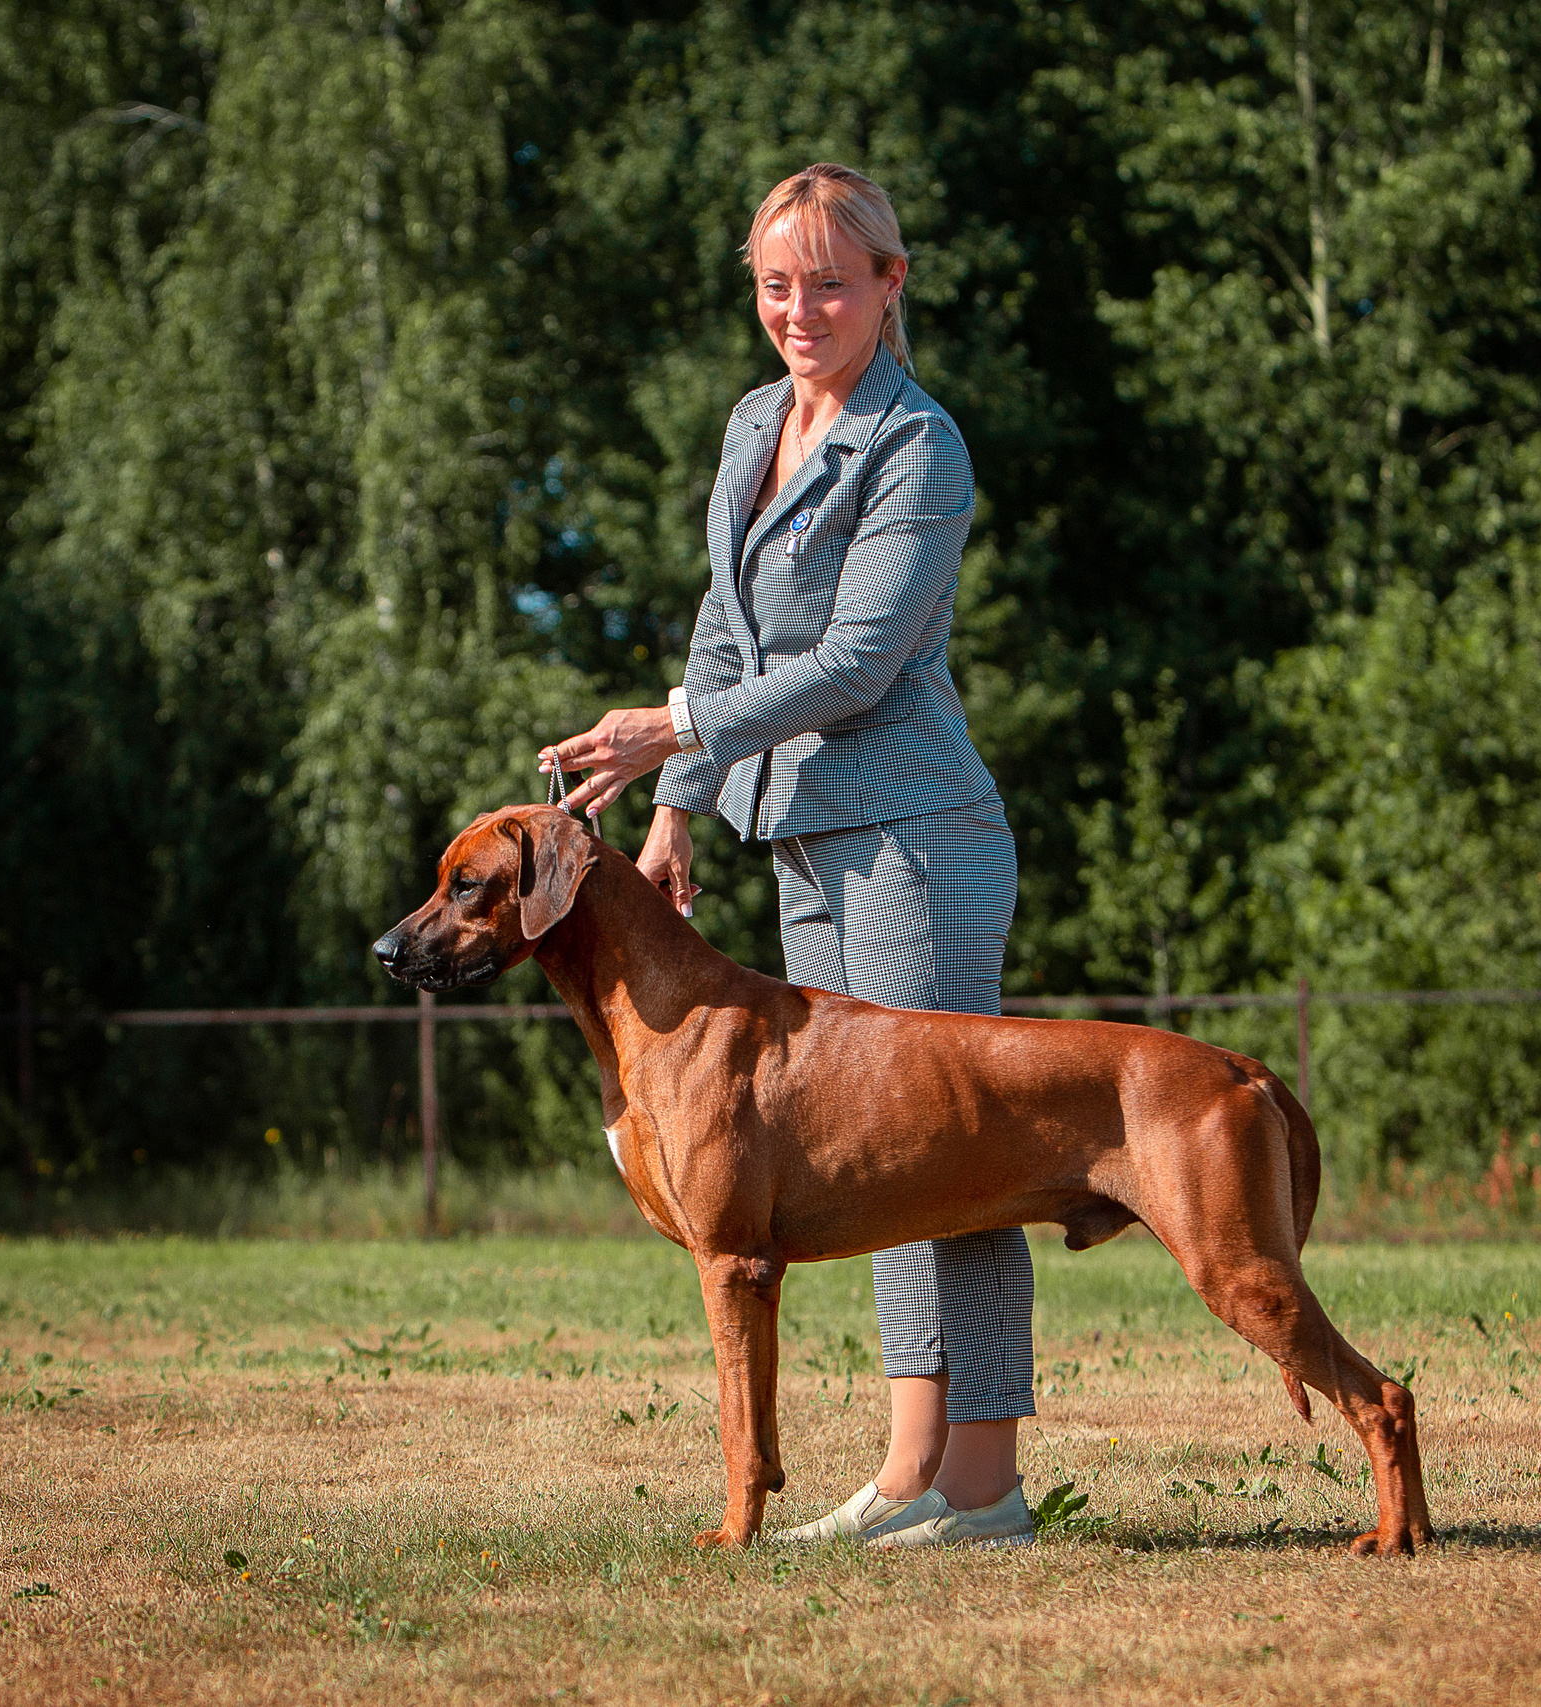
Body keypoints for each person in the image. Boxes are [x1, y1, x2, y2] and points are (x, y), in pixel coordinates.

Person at [540, 163, 1035, 1549]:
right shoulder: (758, 420)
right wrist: (678, 805)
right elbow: (724, 624)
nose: (800, 308)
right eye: (776, 282)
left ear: (889, 283)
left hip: (912, 838)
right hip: (803, 838)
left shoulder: (917, 445)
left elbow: (859, 661)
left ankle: (985, 1490)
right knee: (860, 1164)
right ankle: (906, 1474)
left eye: (830, 279)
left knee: (964, 1155)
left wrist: (671, 726)